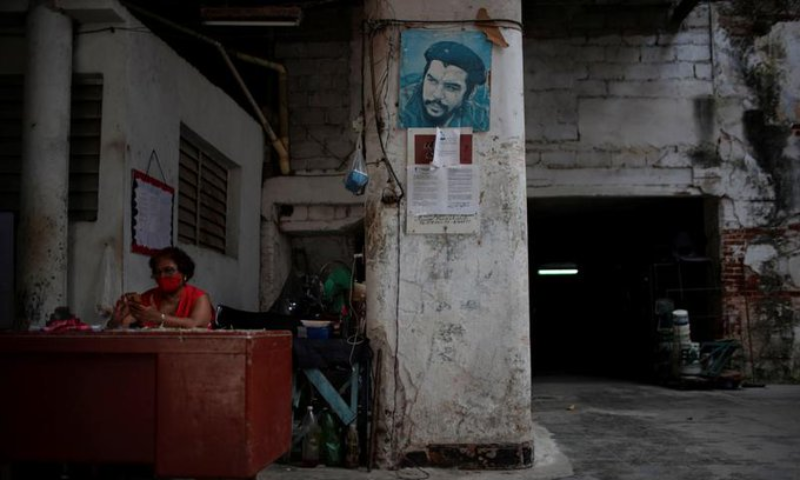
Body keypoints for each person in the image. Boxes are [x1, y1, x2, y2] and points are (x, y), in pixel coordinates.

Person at [108, 247, 214, 329]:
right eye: (158, 272)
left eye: (169, 270)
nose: (162, 276)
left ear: (184, 273)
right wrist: (116, 320)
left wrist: (159, 318)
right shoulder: (149, 297)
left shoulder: (199, 297)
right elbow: (124, 324)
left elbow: (194, 324)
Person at [399, 40, 489, 131]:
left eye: (451, 87)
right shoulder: (400, 106)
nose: (437, 95)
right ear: (423, 78)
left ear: (470, 93)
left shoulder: (479, 118)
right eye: (432, 81)